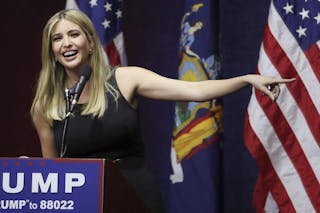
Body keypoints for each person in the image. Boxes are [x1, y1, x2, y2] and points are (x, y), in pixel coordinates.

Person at [30, 9, 295, 213]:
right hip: (84, 204)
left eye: (73, 34)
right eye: (58, 38)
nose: (66, 43)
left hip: (133, 198)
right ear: (51, 51)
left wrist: (246, 79)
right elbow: (52, 175)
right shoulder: (46, 105)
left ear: (89, 41)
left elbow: (194, 91)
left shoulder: (125, 79)